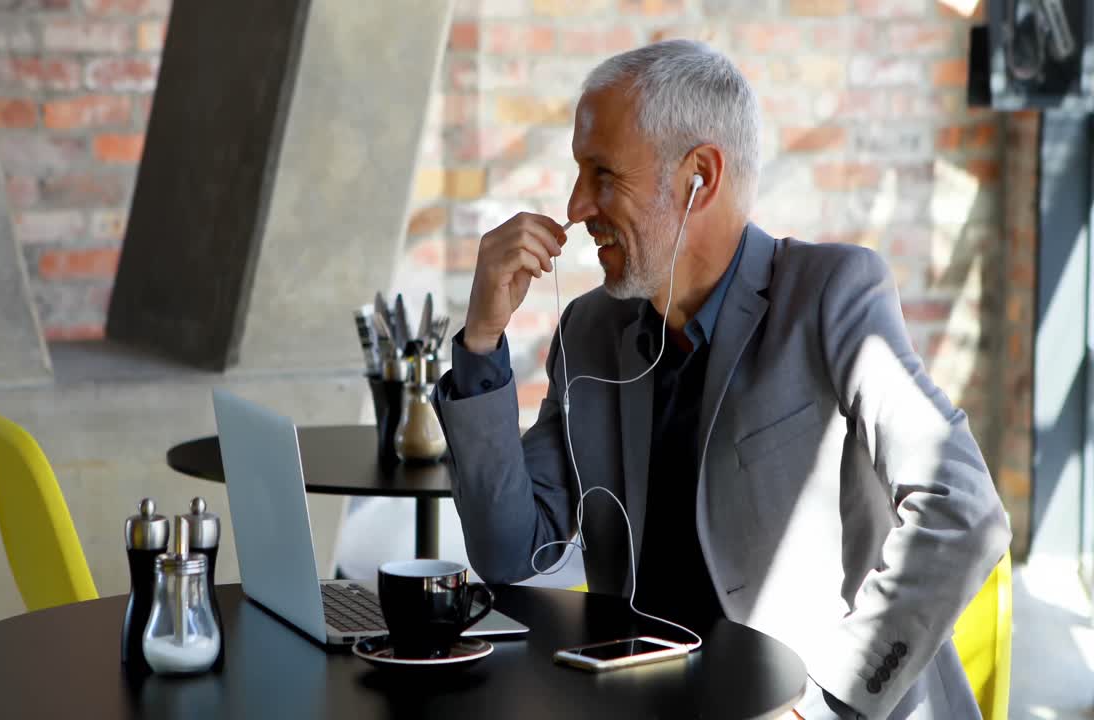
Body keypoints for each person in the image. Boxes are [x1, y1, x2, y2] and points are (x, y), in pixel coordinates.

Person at [432, 39, 1010, 720]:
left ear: (699, 176)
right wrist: (481, 340)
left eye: (602, 173)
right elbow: (506, 551)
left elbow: (963, 510)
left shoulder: (830, 296)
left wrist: (824, 704)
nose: (576, 204)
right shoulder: (590, 332)